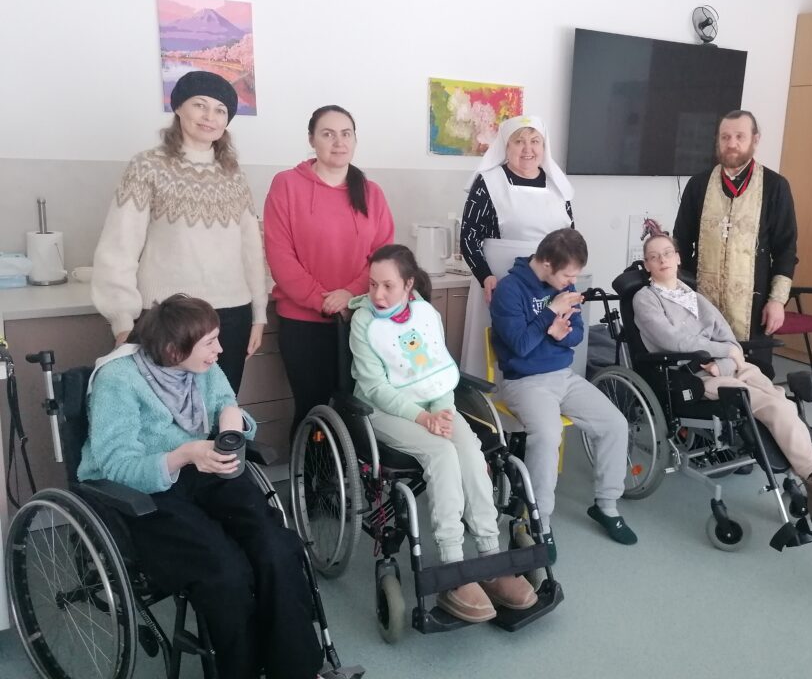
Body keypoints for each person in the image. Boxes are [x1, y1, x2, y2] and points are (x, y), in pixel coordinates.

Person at [78, 294, 343, 679]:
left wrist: (232, 420)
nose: (220, 350)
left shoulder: (202, 366)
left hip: (203, 464)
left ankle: (298, 669)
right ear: (174, 350)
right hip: (144, 487)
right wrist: (184, 455)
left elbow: (224, 402)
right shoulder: (118, 380)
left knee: (277, 547)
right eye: (210, 343)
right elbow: (116, 465)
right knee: (224, 570)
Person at [632, 233, 812, 527]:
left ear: (678, 257)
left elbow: (729, 340)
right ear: (647, 265)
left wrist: (725, 361)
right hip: (690, 375)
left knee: (783, 402)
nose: (662, 260)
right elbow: (675, 342)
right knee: (767, 405)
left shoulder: (695, 297)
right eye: (654, 256)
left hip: (726, 368)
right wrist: (726, 355)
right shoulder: (645, 299)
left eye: (667, 253)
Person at [349, 245, 537, 622]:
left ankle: (490, 556)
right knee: (443, 454)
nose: (377, 294)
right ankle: (453, 566)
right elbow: (376, 389)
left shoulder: (425, 314)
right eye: (372, 285)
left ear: (409, 285)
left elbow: (437, 371)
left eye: (388, 285)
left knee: (470, 453)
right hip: (384, 411)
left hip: (435, 407)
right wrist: (424, 419)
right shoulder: (363, 322)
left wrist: (442, 411)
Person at [92, 71, 266, 394]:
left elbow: (251, 249)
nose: (209, 116)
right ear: (178, 108)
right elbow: (119, 247)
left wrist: (258, 314)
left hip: (231, 315)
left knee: (221, 411)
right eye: (200, 105)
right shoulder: (147, 166)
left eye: (220, 110)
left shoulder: (234, 175)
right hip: (166, 316)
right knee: (163, 415)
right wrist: (122, 320)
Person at [490, 228, 637, 561]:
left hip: (564, 376)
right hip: (524, 381)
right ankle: (538, 520)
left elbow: (576, 336)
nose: (572, 282)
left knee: (615, 423)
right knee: (547, 435)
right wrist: (550, 314)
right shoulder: (509, 290)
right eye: (568, 275)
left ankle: (606, 505)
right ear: (545, 263)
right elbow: (519, 346)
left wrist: (557, 334)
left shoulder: (565, 286)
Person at [263, 105, 395, 432]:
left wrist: (350, 294)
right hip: (303, 323)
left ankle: (354, 468)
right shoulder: (286, 185)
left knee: (359, 411)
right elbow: (280, 255)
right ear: (312, 139)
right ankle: (308, 467)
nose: (339, 142)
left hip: (360, 318)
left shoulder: (372, 193)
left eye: (346, 134)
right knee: (315, 411)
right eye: (328, 134)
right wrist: (321, 299)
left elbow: (383, 256)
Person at [672, 110, 797, 375]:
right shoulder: (698, 185)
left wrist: (777, 301)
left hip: (754, 307)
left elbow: (786, 250)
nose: (732, 144)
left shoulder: (775, 187)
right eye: (725, 137)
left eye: (740, 136)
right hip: (701, 301)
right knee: (703, 374)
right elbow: (680, 242)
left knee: (752, 376)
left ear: (755, 139)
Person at [459, 115, 575, 377]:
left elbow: (570, 240)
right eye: (519, 141)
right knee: (499, 350)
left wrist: (568, 278)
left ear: (544, 147)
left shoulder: (557, 185)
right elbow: (468, 236)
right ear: (506, 146)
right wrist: (484, 275)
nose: (527, 149)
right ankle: (489, 401)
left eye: (535, 141)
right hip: (499, 281)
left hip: (547, 287)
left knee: (544, 344)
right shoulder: (488, 182)